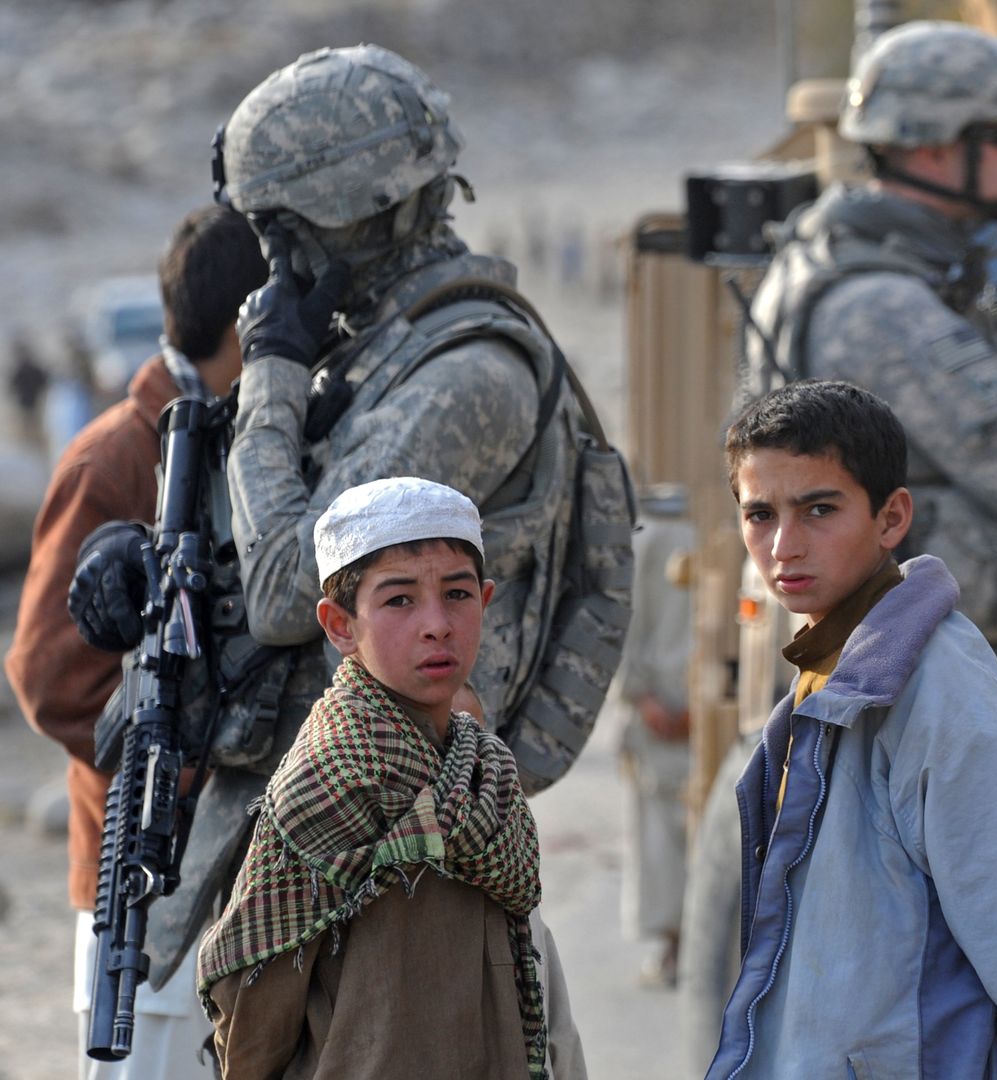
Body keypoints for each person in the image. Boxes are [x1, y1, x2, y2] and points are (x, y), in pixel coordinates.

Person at [65, 43, 628, 1008]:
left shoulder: (466, 376)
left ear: (360, 218)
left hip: (407, 868)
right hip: (336, 856)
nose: (277, 263)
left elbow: (295, 591)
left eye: (286, 232)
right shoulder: (381, 357)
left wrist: (272, 375)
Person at [705, 380, 997, 1079]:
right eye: (760, 514)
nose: (783, 545)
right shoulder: (829, 671)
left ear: (892, 519)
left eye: (818, 509)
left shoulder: (933, 684)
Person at [739, 19, 997, 656]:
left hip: (897, 652)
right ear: (935, 148)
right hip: (913, 671)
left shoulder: (838, 260)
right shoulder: (886, 305)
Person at [198, 477, 579, 1079]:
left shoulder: (484, 770)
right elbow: (251, 1019)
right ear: (340, 625)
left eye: (456, 594)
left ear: (485, 601)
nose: (437, 624)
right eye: (399, 600)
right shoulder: (323, 785)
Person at [8, 202, 265, 1079]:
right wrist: (187, 763)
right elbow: (47, 678)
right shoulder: (120, 458)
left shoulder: (231, 437)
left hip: (223, 886)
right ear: (247, 320)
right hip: (143, 888)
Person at [617, 489, 695, 987]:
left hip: (690, 705)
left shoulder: (649, 536)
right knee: (665, 834)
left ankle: (681, 944)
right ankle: (674, 943)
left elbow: (620, 623)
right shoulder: (652, 537)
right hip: (671, 711)